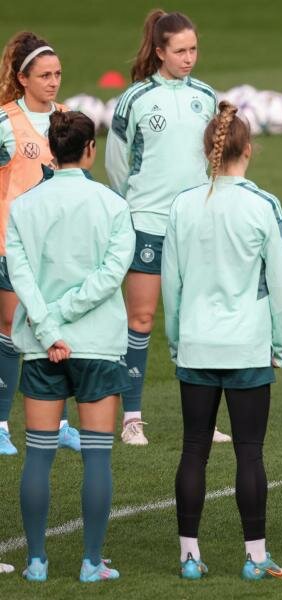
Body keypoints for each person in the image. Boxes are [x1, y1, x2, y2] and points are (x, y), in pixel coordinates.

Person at [162, 101, 282, 581]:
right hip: (247, 347)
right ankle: (256, 558)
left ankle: (189, 557)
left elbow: (170, 285)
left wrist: (177, 342)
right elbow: (280, 285)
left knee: (193, 448)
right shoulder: (263, 206)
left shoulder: (181, 204)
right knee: (249, 452)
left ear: (207, 151)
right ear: (249, 150)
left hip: (197, 343)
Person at [7, 110, 135, 583]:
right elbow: (109, 277)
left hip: (44, 347)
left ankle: (36, 562)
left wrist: (47, 325)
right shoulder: (113, 206)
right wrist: (64, 319)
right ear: (90, 149)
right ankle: (91, 563)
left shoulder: (24, 207)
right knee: (97, 454)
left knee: (39, 453)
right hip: (97, 344)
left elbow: (19, 275)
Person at [105, 9, 227, 445]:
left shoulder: (208, 97)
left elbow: (216, 160)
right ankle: (131, 417)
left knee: (197, 320)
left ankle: (204, 421)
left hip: (195, 224)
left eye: (194, 49)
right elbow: (117, 168)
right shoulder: (135, 99)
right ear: (159, 52)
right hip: (147, 223)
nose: (189, 57)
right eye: (180, 51)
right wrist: (133, 210)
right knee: (140, 318)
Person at [0, 31, 80, 455]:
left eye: (58, 74)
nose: (53, 82)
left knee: (56, 332)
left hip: (59, 250)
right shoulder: (4, 122)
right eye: (45, 75)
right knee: (12, 335)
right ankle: (0, 425)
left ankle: (61, 423)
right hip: (11, 246)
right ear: (23, 78)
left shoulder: (66, 118)